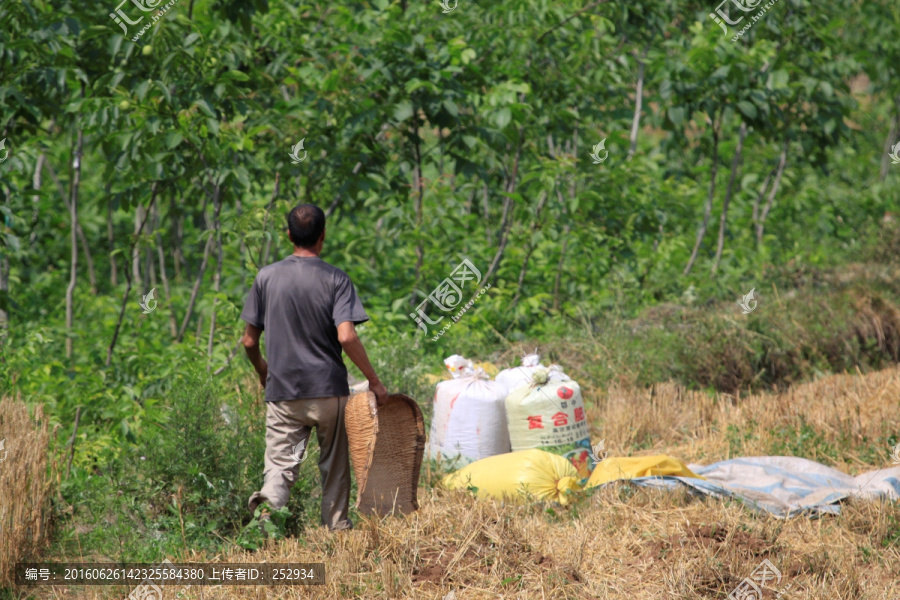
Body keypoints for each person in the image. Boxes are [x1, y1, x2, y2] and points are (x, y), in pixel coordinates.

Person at [240, 203, 388, 532]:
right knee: (334, 468)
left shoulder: (266, 277)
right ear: (323, 236)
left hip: (283, 393)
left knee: (280, 466)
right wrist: (374, 381)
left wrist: (264, 372)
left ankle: (266, 520)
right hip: (328, 392)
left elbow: (249, 342)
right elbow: (346, 336)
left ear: (289, 235)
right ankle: (337, 531)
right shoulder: (336, 278)